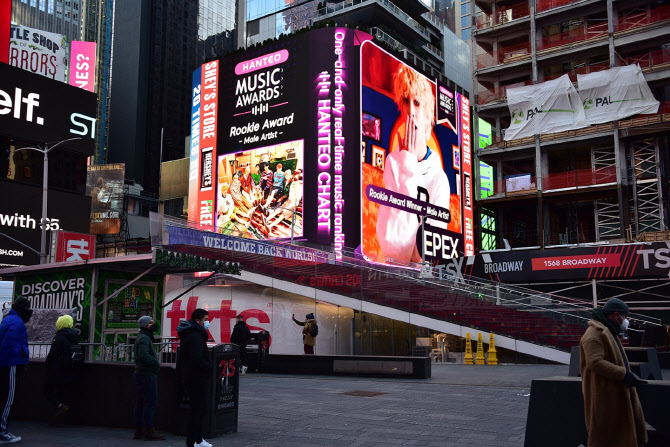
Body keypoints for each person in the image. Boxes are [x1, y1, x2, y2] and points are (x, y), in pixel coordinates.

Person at [376, 65, 451, 264]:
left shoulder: (439, 179)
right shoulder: (392, 163)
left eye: (417, 103)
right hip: (393, 274)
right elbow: (393, 248)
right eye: (406, 100)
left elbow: (429, 251)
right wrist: (406, 164)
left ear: (428, 115)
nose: (410, 111)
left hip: (424, 278)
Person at [580, 298, 647, 447]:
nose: (626, 320)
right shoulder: (594, 334)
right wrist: (623, 374)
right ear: (616, 315)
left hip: (615, 392)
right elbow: (595, 362)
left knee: (621, 434)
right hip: (605, 395)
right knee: (609, 437)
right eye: (625, 316)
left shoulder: (610, 331)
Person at [177, 309, 213, 447]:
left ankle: (196, 439)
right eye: (205, 319)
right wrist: (209, 366)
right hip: (197, 378)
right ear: (198, 320)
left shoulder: (190, 334)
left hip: (191, 377)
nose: (207, 322)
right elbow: (197, 358)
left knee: (197, 409)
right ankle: (194, 441)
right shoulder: (196, 336)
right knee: (197, 410)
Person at [0, 296, 32, 444]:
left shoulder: (8, 319)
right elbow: (11, 345)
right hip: (11, 363)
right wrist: (21, 358)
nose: (29, 312)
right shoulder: (17, 322)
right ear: (23, 308)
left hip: (7, 363)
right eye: (28, 309)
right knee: (8, 398)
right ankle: (2, 431)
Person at [133, 316, 164, 441]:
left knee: (141, 403)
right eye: (150, 322)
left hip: (141, 373)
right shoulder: (145, 339)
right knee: (150, 403)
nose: (153, 324)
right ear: (145, 325)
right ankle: (149, 430)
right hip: (147, 374)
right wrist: (156, 363)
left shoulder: (143, 337)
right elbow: (143, 355)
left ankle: (140, 430)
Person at [45, 315, 81, 422]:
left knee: (48, 391)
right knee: (63, 393)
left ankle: (59, 407)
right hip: (69, 370)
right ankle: (61, 412)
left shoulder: (59, 337)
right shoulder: (74, 336)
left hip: (57, 370)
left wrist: (47, 365)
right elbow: (78, 353)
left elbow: (53, 354)